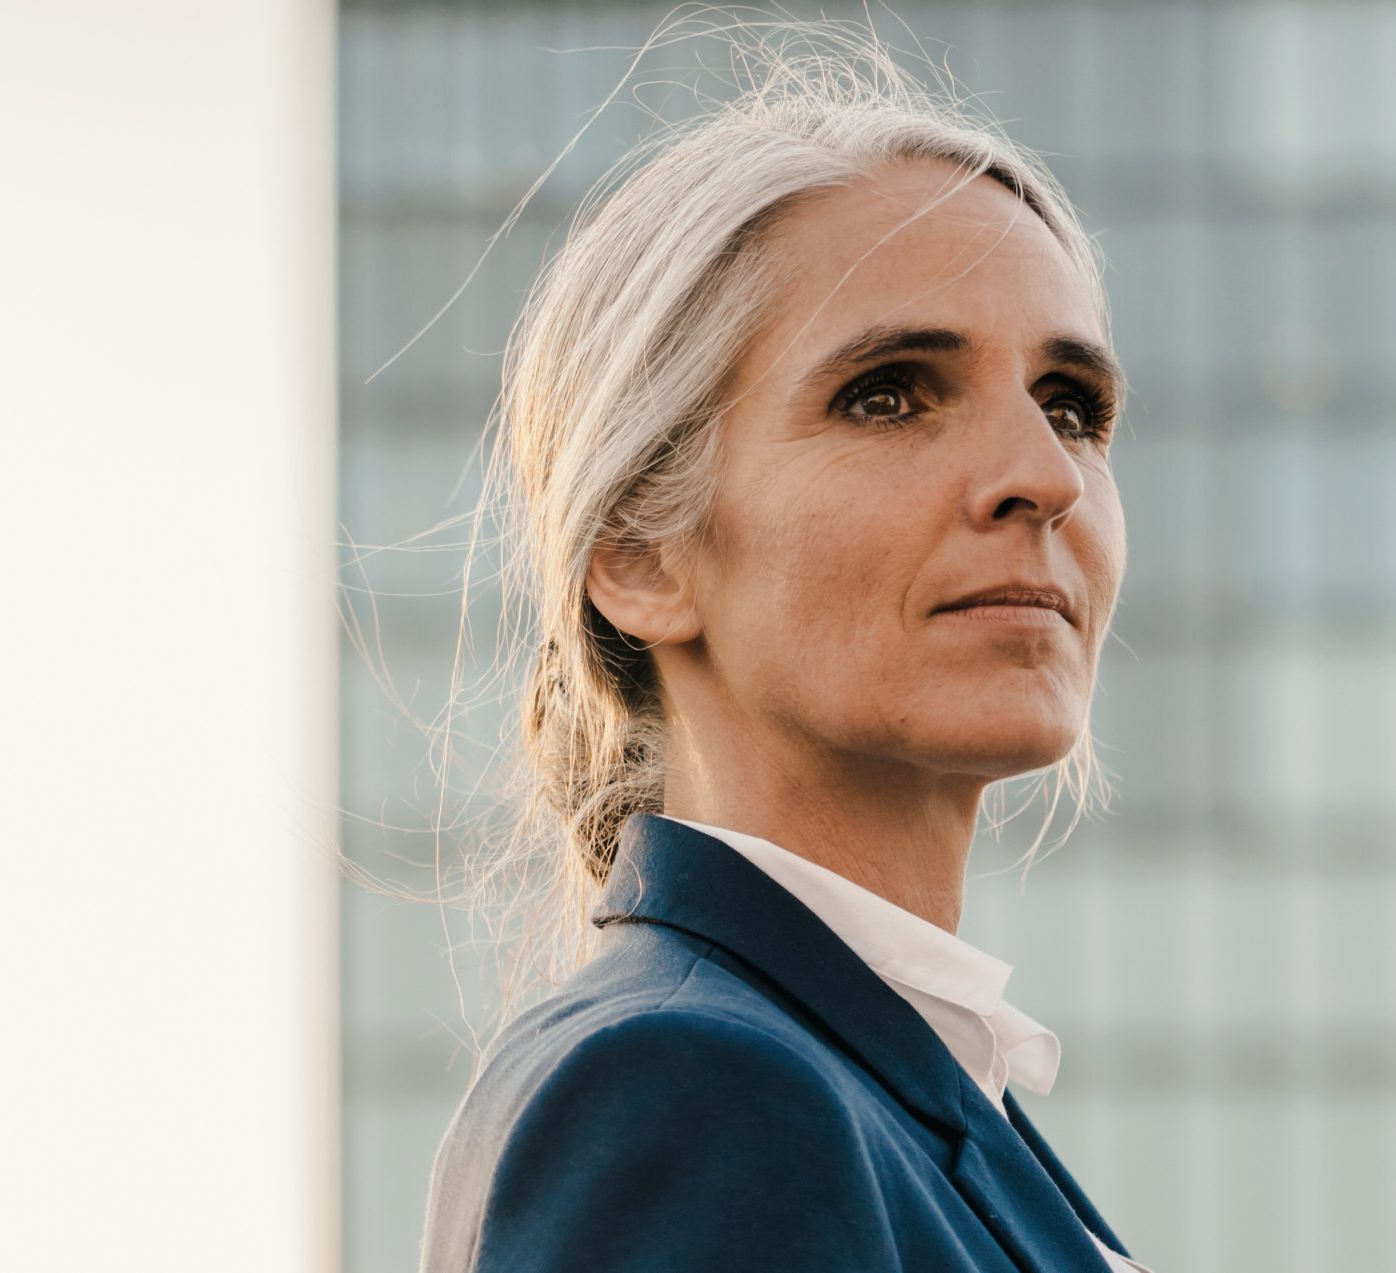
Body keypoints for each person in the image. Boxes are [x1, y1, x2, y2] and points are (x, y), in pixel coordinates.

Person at [416, 19, 1150, 1273]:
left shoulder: (905, 1087)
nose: (1043, 475)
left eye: (1071, 405)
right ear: (640, 555)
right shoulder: (686, 1087)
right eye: (891, 394)